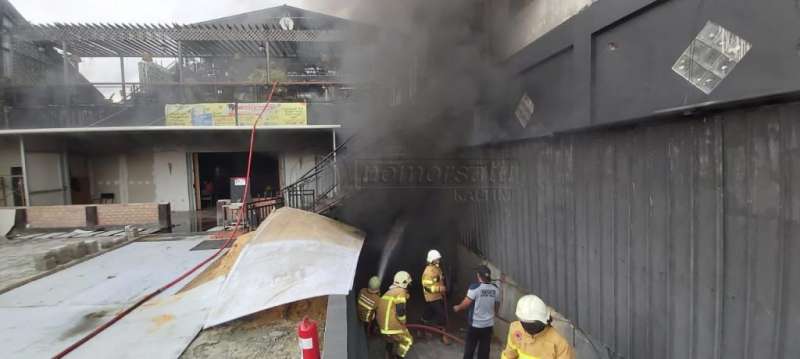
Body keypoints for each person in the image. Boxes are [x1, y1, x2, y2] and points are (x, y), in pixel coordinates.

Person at [501, 295, 574, 359]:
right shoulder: (516, 328)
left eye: (532, 324)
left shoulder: (559, 341)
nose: (528, 327)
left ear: (544, 321)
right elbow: (509, 354)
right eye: (525, 322)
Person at [453, 265, 499, 359]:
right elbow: (497, 306)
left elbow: (466, 303)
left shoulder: (475, 288)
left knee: (470, 348)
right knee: (484, 350)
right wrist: (493, 314)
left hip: (475, 325)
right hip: (488, 325)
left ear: (478, 276)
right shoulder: (495, 289)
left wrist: (458, 307)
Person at [377, 271, 414, 358]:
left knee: (390, 339)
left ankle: (388, 356)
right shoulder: (401, 291)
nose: (408, 286)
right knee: (408, 340)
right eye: (408, 284)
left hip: (383, 326)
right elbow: (400, 310)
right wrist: (403, 321)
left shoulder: (389, 292)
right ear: (404, 283)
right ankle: (399, 357)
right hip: (391, 325)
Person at [421, 249, 450, 344]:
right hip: (432, 297)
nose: (439, 260)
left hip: (438, 296)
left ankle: (422, 328)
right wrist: (440, 289)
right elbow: (428, 288)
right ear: (432, 260)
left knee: (428, 314)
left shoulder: (437, 268)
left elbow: (439, 279)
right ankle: (443, 335)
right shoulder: (428, 272)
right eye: (437, 259)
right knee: (442, 315)